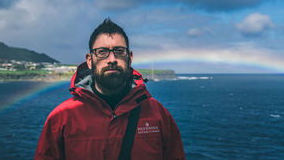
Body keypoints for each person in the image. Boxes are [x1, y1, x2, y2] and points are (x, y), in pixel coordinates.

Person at [35, 18, 185, 160]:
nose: (112, 60)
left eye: (119, 51)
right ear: (89, 60)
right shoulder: (61, 118)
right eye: (102, 52)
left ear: (129, 57)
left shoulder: (158, 115)